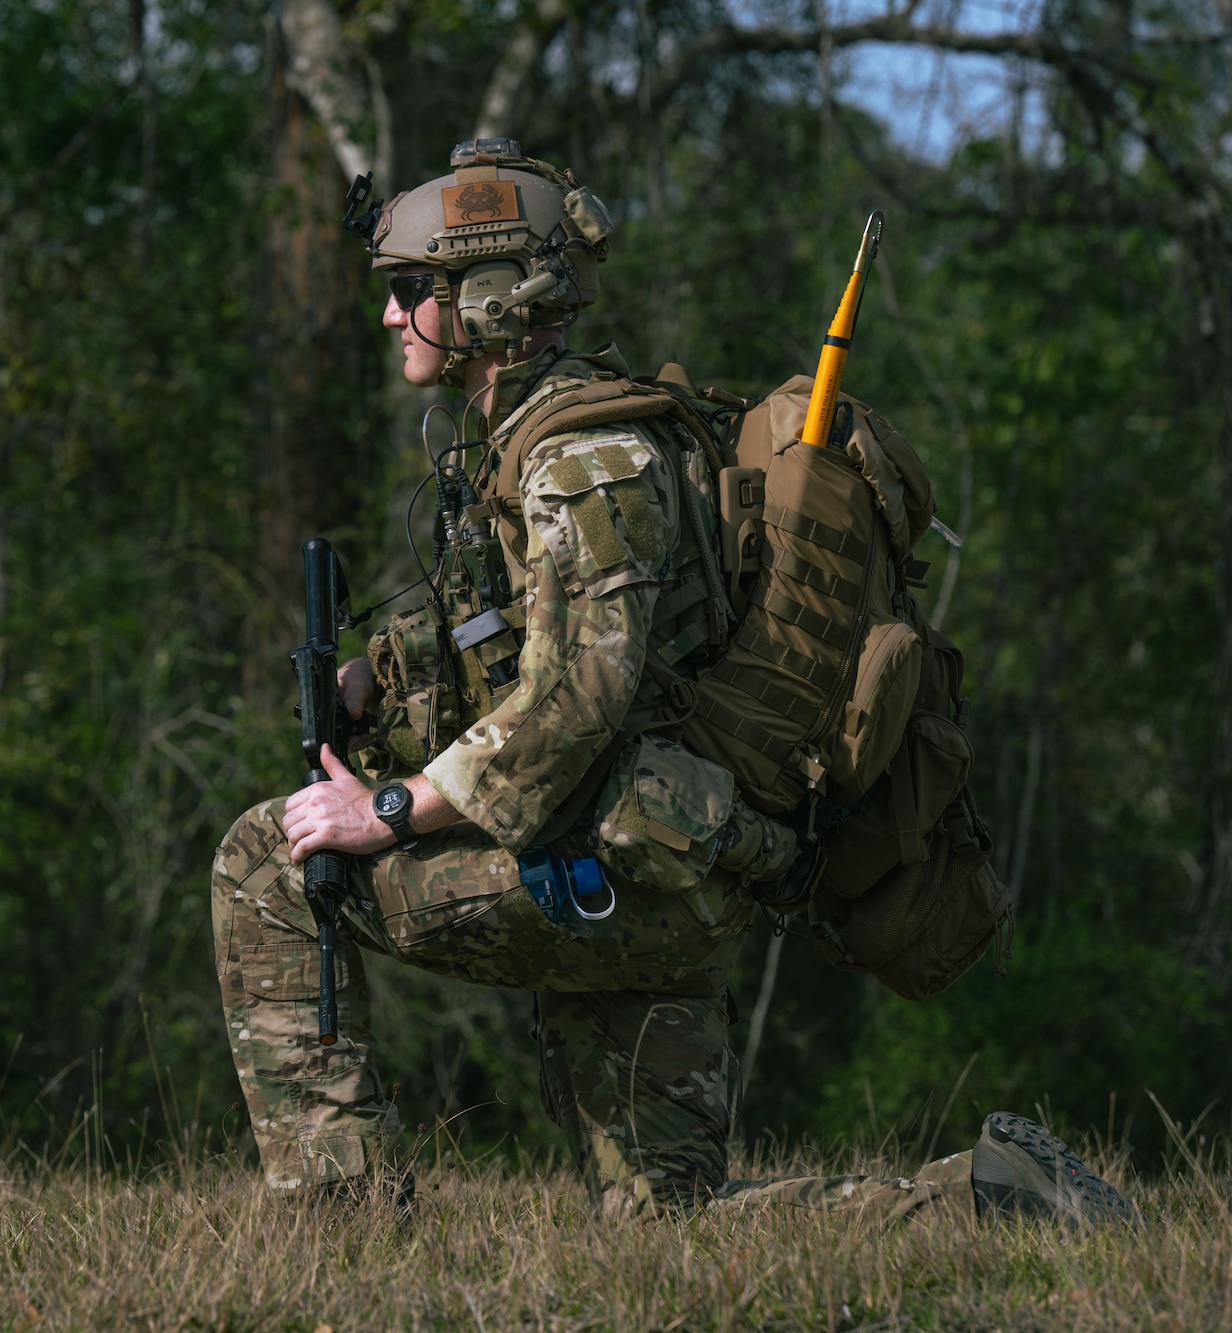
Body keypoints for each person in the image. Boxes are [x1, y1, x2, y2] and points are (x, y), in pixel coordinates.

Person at [209, 139, 1137, 1228]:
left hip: (626, 874)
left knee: (265, 861)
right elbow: (544, 636)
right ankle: (994, 1201)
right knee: (669, 1225)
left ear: (493, 299)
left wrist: (388, 808)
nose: (389, 316)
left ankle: (341, 1228)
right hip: (665, 860)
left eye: (412, 290)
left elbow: (575, 700)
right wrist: (388, 674)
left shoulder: (579, 459)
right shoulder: (549, 440)